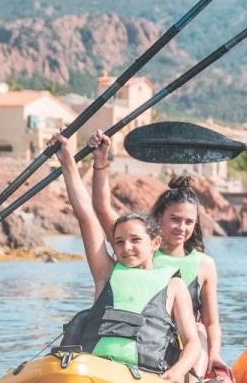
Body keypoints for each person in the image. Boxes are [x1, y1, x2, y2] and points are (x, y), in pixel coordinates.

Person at [52, 133, 203, 380]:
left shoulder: (174, 285)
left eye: (135, 240)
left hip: (147, 375)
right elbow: (87, 216)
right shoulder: (106, 272)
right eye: (119, 242)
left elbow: (192, 343)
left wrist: (175, 374)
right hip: (96, 372)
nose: (126, 247)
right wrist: (68, 161)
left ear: (155, 243)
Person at [86, 132, 230, 381]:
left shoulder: (204, 264)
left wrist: (215, 355)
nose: (181, 228)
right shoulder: (137, 249)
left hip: (185, 349)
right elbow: (101, 209)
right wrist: (100, 162)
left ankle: (194, 379)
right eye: (174, 220)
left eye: (188, 222)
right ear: (158, 219)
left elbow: (211, 322)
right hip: (144, 340)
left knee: (198, 328)